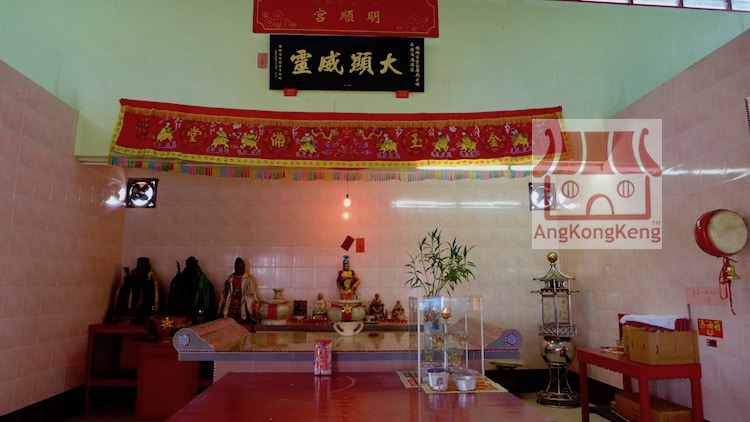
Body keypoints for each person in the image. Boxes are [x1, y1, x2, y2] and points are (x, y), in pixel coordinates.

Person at [112, 257, 161, 323]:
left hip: (145, 304)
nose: (142, 267)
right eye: (140, 264)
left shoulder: (151, 275)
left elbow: (153, 292)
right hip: (131, 303)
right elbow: (123, 289)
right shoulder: (132, 273)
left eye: (143, 265)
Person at [168, 256, 215, 324]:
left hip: (196, 309)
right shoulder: (183, 276)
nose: (190, 266)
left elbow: (206, 294)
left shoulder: (201, 278)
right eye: (189, 264)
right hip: (183, 310)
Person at [217, 257, 261, 324]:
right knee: (224, 303)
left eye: (241, 267)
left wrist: (253, 300)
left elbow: (252, 292)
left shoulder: (247, 279)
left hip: (243, 298)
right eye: (237, 267)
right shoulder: (231, 278)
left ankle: (244, 319)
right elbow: (225, 291)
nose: (239, 269)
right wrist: (227, 288)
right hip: (232, 298)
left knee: (250, 303)